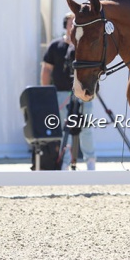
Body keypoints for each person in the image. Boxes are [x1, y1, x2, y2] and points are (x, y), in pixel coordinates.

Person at [40, 12, 96, 170]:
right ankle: (65, 159)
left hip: (83, 94)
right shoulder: (55, 46)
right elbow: (46, 69)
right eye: (71, 23)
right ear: (66, 26)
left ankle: (90, 160)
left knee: (86, 127)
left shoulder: (84, 45)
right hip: (62, 93)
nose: (74, 26)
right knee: (64, 128)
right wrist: (46, 94)